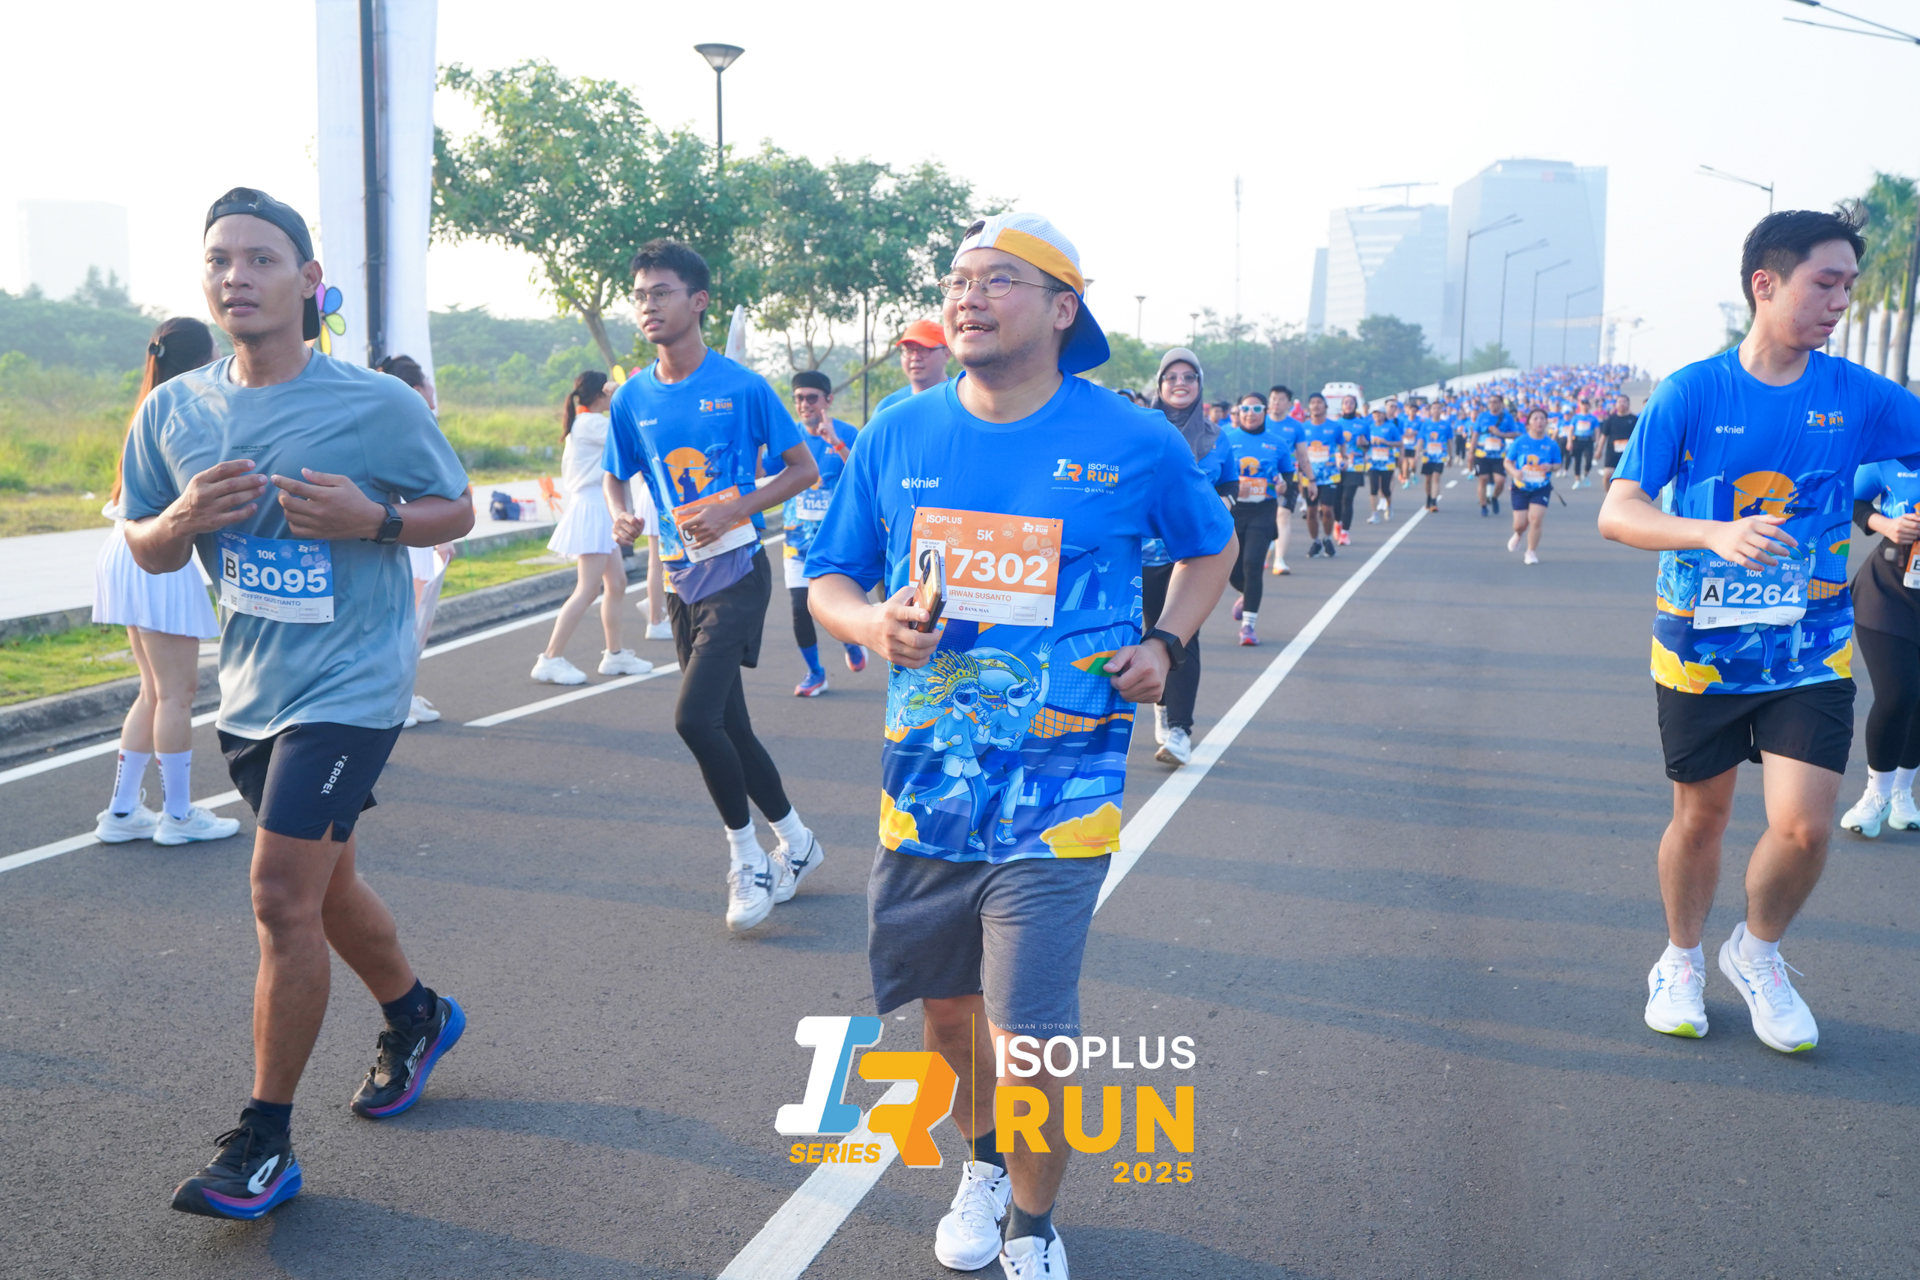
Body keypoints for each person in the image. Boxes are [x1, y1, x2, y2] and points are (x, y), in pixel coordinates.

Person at [806, 211, 1233, 1280]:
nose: (969, 296)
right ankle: (986, 1161)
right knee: (949, 1017)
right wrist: (872, 624)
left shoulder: (1134, 439)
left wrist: (1166, 641)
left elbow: (1211, 545)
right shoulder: (898, 432)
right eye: (958, 279)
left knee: (1030, 1030)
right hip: (926, 790)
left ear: (1062, 308)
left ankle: (1035, 1225)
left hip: (1062, 790)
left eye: (998, 279)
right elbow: (830, 578)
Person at [120, 188, 475, 1219]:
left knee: (280, 893)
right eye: (220, 259)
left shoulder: (375, 404)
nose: (237, 275)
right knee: (325, 888)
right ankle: (418, 1013)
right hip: (252, 691)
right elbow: (143, 540)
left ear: (309, 281)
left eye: (261, 258)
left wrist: (375, 519)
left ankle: (264, 1143)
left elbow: (455, 508)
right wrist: (183, 517)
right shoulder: (173, 411)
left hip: (354, 683)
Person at [1598, 208, 1920, 1055]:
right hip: (1701, 648)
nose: (1841, 301)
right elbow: (1619, 511)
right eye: (1826, 282)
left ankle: (1758, 954)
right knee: (1701, 819)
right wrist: (1712, 533)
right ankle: (1680, 960)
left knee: (1806, 826)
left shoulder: (1857, 395)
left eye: (1850, 286)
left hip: (1810, 645)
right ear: (1765, 284)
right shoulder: (1692, 392)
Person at [603, 239, 826, 933]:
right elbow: (616, 473)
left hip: (738, 571)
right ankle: (799, 841)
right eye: (640, 295)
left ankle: (747, 857)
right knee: (730, 726)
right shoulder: (631, 397)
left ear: (698, 301)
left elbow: (803, 471)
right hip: (681, 580)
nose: (648, 306)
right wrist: (621, 515)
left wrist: (737, 508)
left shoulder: (744, 387)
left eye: (661, 293)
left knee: (694, 719)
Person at [91, 318, 240, 848]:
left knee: (154, 690)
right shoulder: (185, 412)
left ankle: (122, 811)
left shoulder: (149, 405)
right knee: (177, 692)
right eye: (216, 351)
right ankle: (177, 816)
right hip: (156, 552)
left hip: (125, 546)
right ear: (201, 361)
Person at [532, 371, 654, 685]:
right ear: (602, 393)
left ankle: (615, 654)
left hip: (598, 508)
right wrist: (623, 393)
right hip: (592, 509)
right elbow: (634, 431)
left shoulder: (589, 422)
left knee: (617, 583)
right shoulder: (590, 423)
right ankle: (550, 658)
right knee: (587, 590)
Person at [1147, 348, 1237, 764]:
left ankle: (1180, 729)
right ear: (1160, 385)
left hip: (1195, 556)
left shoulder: (1217, 437)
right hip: (1143, 555)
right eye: (1172, 377)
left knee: (1183, 635)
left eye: (1189, 377)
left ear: (1200, 385)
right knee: (1149, 631)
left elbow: (1230, 484)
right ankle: (1162, 705)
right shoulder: (1141, 431)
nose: (1180, 384)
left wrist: (1222, 505)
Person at [374, 354, 457, 727]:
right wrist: (442, 537)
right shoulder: (407, 421)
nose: (432, 389)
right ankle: (395, 703)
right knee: (409, 623)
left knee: (411, 622)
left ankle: (402, 696)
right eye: (426, 382)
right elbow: (428, 488)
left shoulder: (393, 418)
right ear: (415, 388)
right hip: (412, 536)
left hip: (406, 534)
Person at [1839, 461, 1920, 835]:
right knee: (1898, 695)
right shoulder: (1893, 456)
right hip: (1888, 594)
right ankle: (1875, 795)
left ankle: (1902, 793)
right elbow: (1851, 498)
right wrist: (1886, 524)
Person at [776, 370, 866, 695]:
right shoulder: (789, 437)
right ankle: (815, 673)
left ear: (828, 399)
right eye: (798, 398)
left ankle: (850, 642)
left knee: (831, 607)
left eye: (811, 397)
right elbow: (760, 470)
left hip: (834, 543)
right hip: (796, 542)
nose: (804, 404)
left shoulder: (848, 433)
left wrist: (836, 444)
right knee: (800, 609)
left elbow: (864, 475)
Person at [1224, 392, 1288, 645]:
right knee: (1231, 568)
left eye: (1257, 409)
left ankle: (1248, 626)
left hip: (1263, 511)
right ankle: (1248, 595)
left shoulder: (1277, 443)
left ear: (1265, 412)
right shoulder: (1226, 439)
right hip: (1233, 512)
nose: (1251, 414)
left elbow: (1288, 477)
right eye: (1245, 409)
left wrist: (1284, 487)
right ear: (1239, 412)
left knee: (1253, 564)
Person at [1504, 407, 1562, 564]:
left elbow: (1558, 464)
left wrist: (1551, 467)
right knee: (1519, 524)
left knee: (1536, 519)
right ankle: (1518, 534)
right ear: (1528, 423)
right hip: (1520, 488)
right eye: (1535, 418)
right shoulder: (1520, 442)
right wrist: (1515, 472)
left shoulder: (1551, 444)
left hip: (1541, 488)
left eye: (1542, 418)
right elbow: (1507, 462)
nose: (1539, 421)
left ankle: (1531, 551)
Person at [871, 318, 952, 418]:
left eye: (924, 349)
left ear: (946, 354)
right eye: (908, 350)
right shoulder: (887, 407)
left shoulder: (963, 400)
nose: (915, 357)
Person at [1298, 393, 1342, 558]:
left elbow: (1342, 446)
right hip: (1309, 477)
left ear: (1325, 406)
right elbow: (1299, 452)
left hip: (1329, 476)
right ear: (1309, 407)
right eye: (1312, 402)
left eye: (1319, 402)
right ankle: (1315, 541)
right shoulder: (1303, 428)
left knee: (1328, 510)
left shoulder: (1335, 427)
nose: (1316, 405)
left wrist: (1343, 459)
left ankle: (1327, 538)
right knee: (1311, 511)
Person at [1266, 384, 1302, 575]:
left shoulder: (1295, 426)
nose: (1276, 403)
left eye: (1281, 399)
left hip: (1287, 477)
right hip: (1262, 479)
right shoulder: (1260, 421)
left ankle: (1279, 560)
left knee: (1283, 515)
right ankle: (1268, 545)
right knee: (1267, 517)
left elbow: (1303, 455)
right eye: (1273, 399)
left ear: (1288, 404)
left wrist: (1311, 480)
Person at [1472, 393, 1518, 516]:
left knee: (1500, 480)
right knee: (1483, 479)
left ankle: (1494, 497)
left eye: (1495, 402)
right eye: (1490, 402)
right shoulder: (1482, 416)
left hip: (1499, 455)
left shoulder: (1507, 417)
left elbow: (1514, 434)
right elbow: (1475, 434)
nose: (1492, 404)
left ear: (1501, 403)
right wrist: (1471, 452)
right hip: (1482, 454)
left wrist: (1500, 434)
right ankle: (1483, 506)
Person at [1333, 394, 1368, 544]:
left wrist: (1364, 443)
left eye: (1351, 402)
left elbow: (1367, 447)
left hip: (1355, 466)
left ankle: (1345, 533)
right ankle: (1338, 522)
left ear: (1355, 405)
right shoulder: (1335, 424)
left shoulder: (1363, 424)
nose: (1348, 405)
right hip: (1337, 466)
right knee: (1336, 500)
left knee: (1347, 499)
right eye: (1345, 402)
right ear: (1342, 406)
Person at [1364, 405, 1397, 523]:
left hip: (1387, 462)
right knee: (1373, 488)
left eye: (1379, 413)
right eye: (1374, 413)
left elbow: (1399, 443)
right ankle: (1374, 514)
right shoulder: (1369, 427)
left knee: (1385, 488)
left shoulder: (1391, 427)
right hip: (1373, 462)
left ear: (1384, 415)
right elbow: (1364, 443)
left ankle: (1389, 506)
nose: (1377, 415)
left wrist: (1385, 442)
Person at [1418, 399, 1451, 514]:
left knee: (1436, 477)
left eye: (1438, 408)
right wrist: (1417, 454)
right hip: (1428, 456)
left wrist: (1450, 456)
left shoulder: (1446, 425)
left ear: (1442, 410)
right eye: (1434, 408)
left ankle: (1433, 502)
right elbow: (1421, 439)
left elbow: (1450, 441)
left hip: (1440, 456)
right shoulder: (1425, 424)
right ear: (1430, 410)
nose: (1436, 410)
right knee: (1428, 480)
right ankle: (1428, 498)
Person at [1597, 391, 1637, 487]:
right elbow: (1604, 435)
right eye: (1619, 402)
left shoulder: (1634, 419)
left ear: (1628, 404)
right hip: (1612, 452)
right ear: (1616, 404)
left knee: (1627, 479)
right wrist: (1599, 450)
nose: (1622, 404)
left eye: (1624, 402)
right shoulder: (1610, 419)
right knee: (1608, 475)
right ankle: (1608, 494)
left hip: (1628, 453)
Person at [1565, 396, 1599, 487]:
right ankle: (1577, 479)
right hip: (1577, 440)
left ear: (1589, 406)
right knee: (1577, 460)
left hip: (1588, 441)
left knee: (1589, 460)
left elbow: (1597, 430)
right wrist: (1569, 442)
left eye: (1586, 404)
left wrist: (1597, 441)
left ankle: (1586, 474)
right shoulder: (1576, 417)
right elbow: (1570, 430)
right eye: (1583, 404)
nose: (1585, 406)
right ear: (1580, 406)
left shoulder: (1593, 418)